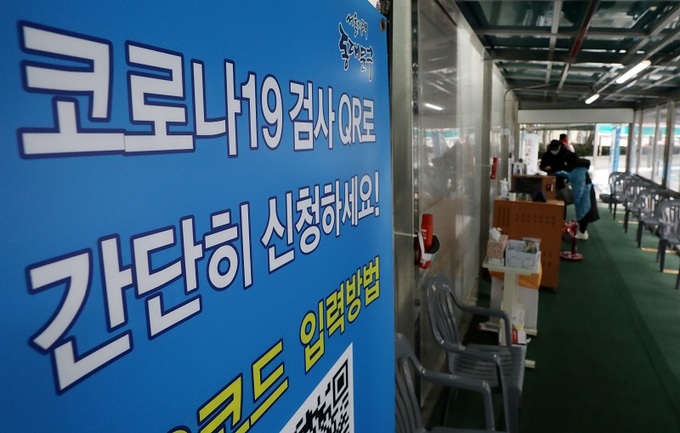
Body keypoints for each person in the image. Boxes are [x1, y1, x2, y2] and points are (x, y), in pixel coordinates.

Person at [539, 139, 598, 239]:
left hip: (584, 193)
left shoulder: (578, 169)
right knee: (581, 213)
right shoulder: (575, 168)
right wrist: (560, 172)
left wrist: (576, 198)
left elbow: (579, 186)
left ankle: (582, 232)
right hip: (577, 190)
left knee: (583, 213)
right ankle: (580, 230)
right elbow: (571, 176)